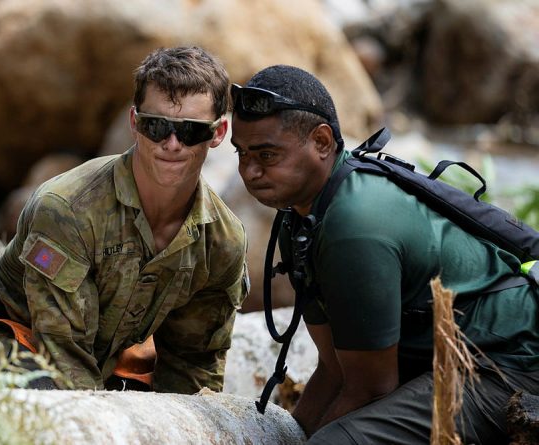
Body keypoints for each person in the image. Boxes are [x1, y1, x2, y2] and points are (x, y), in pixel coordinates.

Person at [230, 65, 539, 444]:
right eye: (241, 153)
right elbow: (334, 369)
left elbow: (371, 389)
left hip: (511, 365)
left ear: (323, 142)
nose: (249, 170)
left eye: (266, 154)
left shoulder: (354, 224)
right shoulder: (301, 220)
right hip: (444, 359)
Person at [0, 46, 248, 393]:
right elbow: (65, 358)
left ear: (218, 134)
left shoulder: (222, 241)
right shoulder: (68, 209)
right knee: (46, 409)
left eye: (191, 131)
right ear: (134, 123)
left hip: (99, 357)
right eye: (156, 126)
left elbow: (194, 364)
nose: (171, 144)